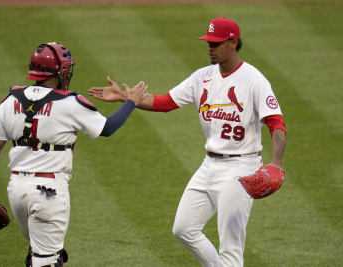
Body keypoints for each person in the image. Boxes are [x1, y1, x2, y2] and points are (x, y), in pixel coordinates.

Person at [88, 17, 286, 267]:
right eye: (208, 42)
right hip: (210, 165)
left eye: (216, 43)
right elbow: (165, 102)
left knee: (231, 249)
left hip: (241, 169)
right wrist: (128, 99)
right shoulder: (203, 76)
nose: (210, 47)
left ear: (233, 43)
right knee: (183, 228)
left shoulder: (254, 80)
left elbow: (276, 123)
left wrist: (276, 162)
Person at [0, 42, 147, 267]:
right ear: (58, 72)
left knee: (37, 253)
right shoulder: (70, 102)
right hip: (48, 193)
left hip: (16, 190)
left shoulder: (10, 100)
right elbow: (107, 128)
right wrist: (131, 102)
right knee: (47, 261)